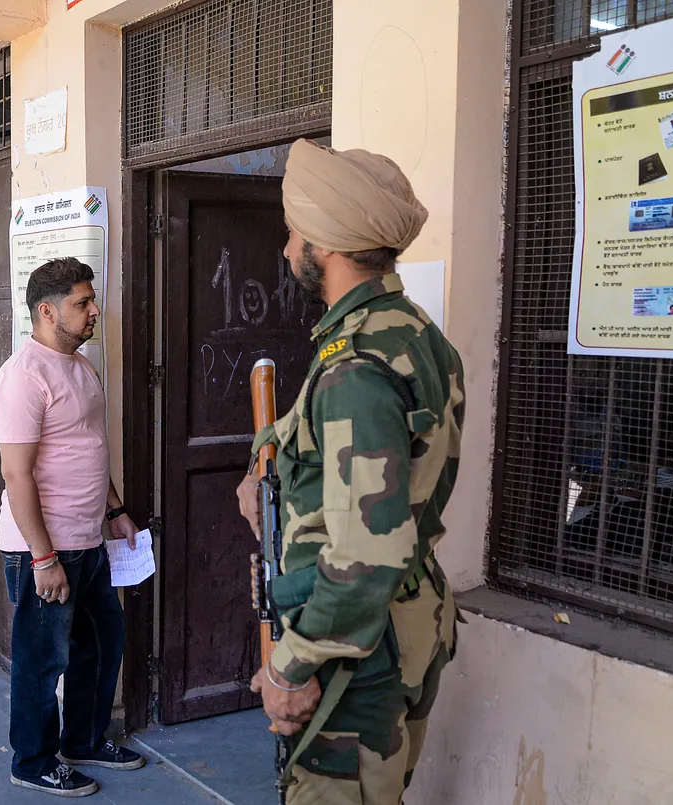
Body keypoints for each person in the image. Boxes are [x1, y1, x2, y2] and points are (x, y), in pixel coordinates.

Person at [234, 139, 465, 805]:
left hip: (356, 648)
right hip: (401, 621)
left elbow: (365, 553)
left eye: (292, 231)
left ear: (324, 244)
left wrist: (291, 664)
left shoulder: (355, 367)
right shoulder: (409, 333)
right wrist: (264, 460)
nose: (286, 249)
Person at [0, 258, 145, 797]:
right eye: (82, 303)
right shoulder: (22, 376)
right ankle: (31, 760)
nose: (94, 311)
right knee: (42, 659)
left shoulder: (81, 367)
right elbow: (16, 472)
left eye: (91, 300)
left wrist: (114, 509)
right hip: (44, 548)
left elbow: (89, 450)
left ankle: (82, 739)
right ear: (46, 310)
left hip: (89, 539)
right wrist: (42, 557)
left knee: (100, 642)